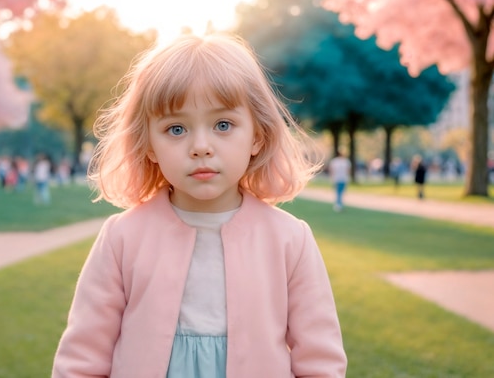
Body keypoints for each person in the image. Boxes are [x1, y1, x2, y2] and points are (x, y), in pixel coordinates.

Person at [51, 34, 347, 378]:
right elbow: (82, 358)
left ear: (257, 136)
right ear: (148, 145)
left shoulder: (289, 240)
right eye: (176, 128)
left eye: (223, 125)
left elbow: (320, 360)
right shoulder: (122, 238)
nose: (201, 146)